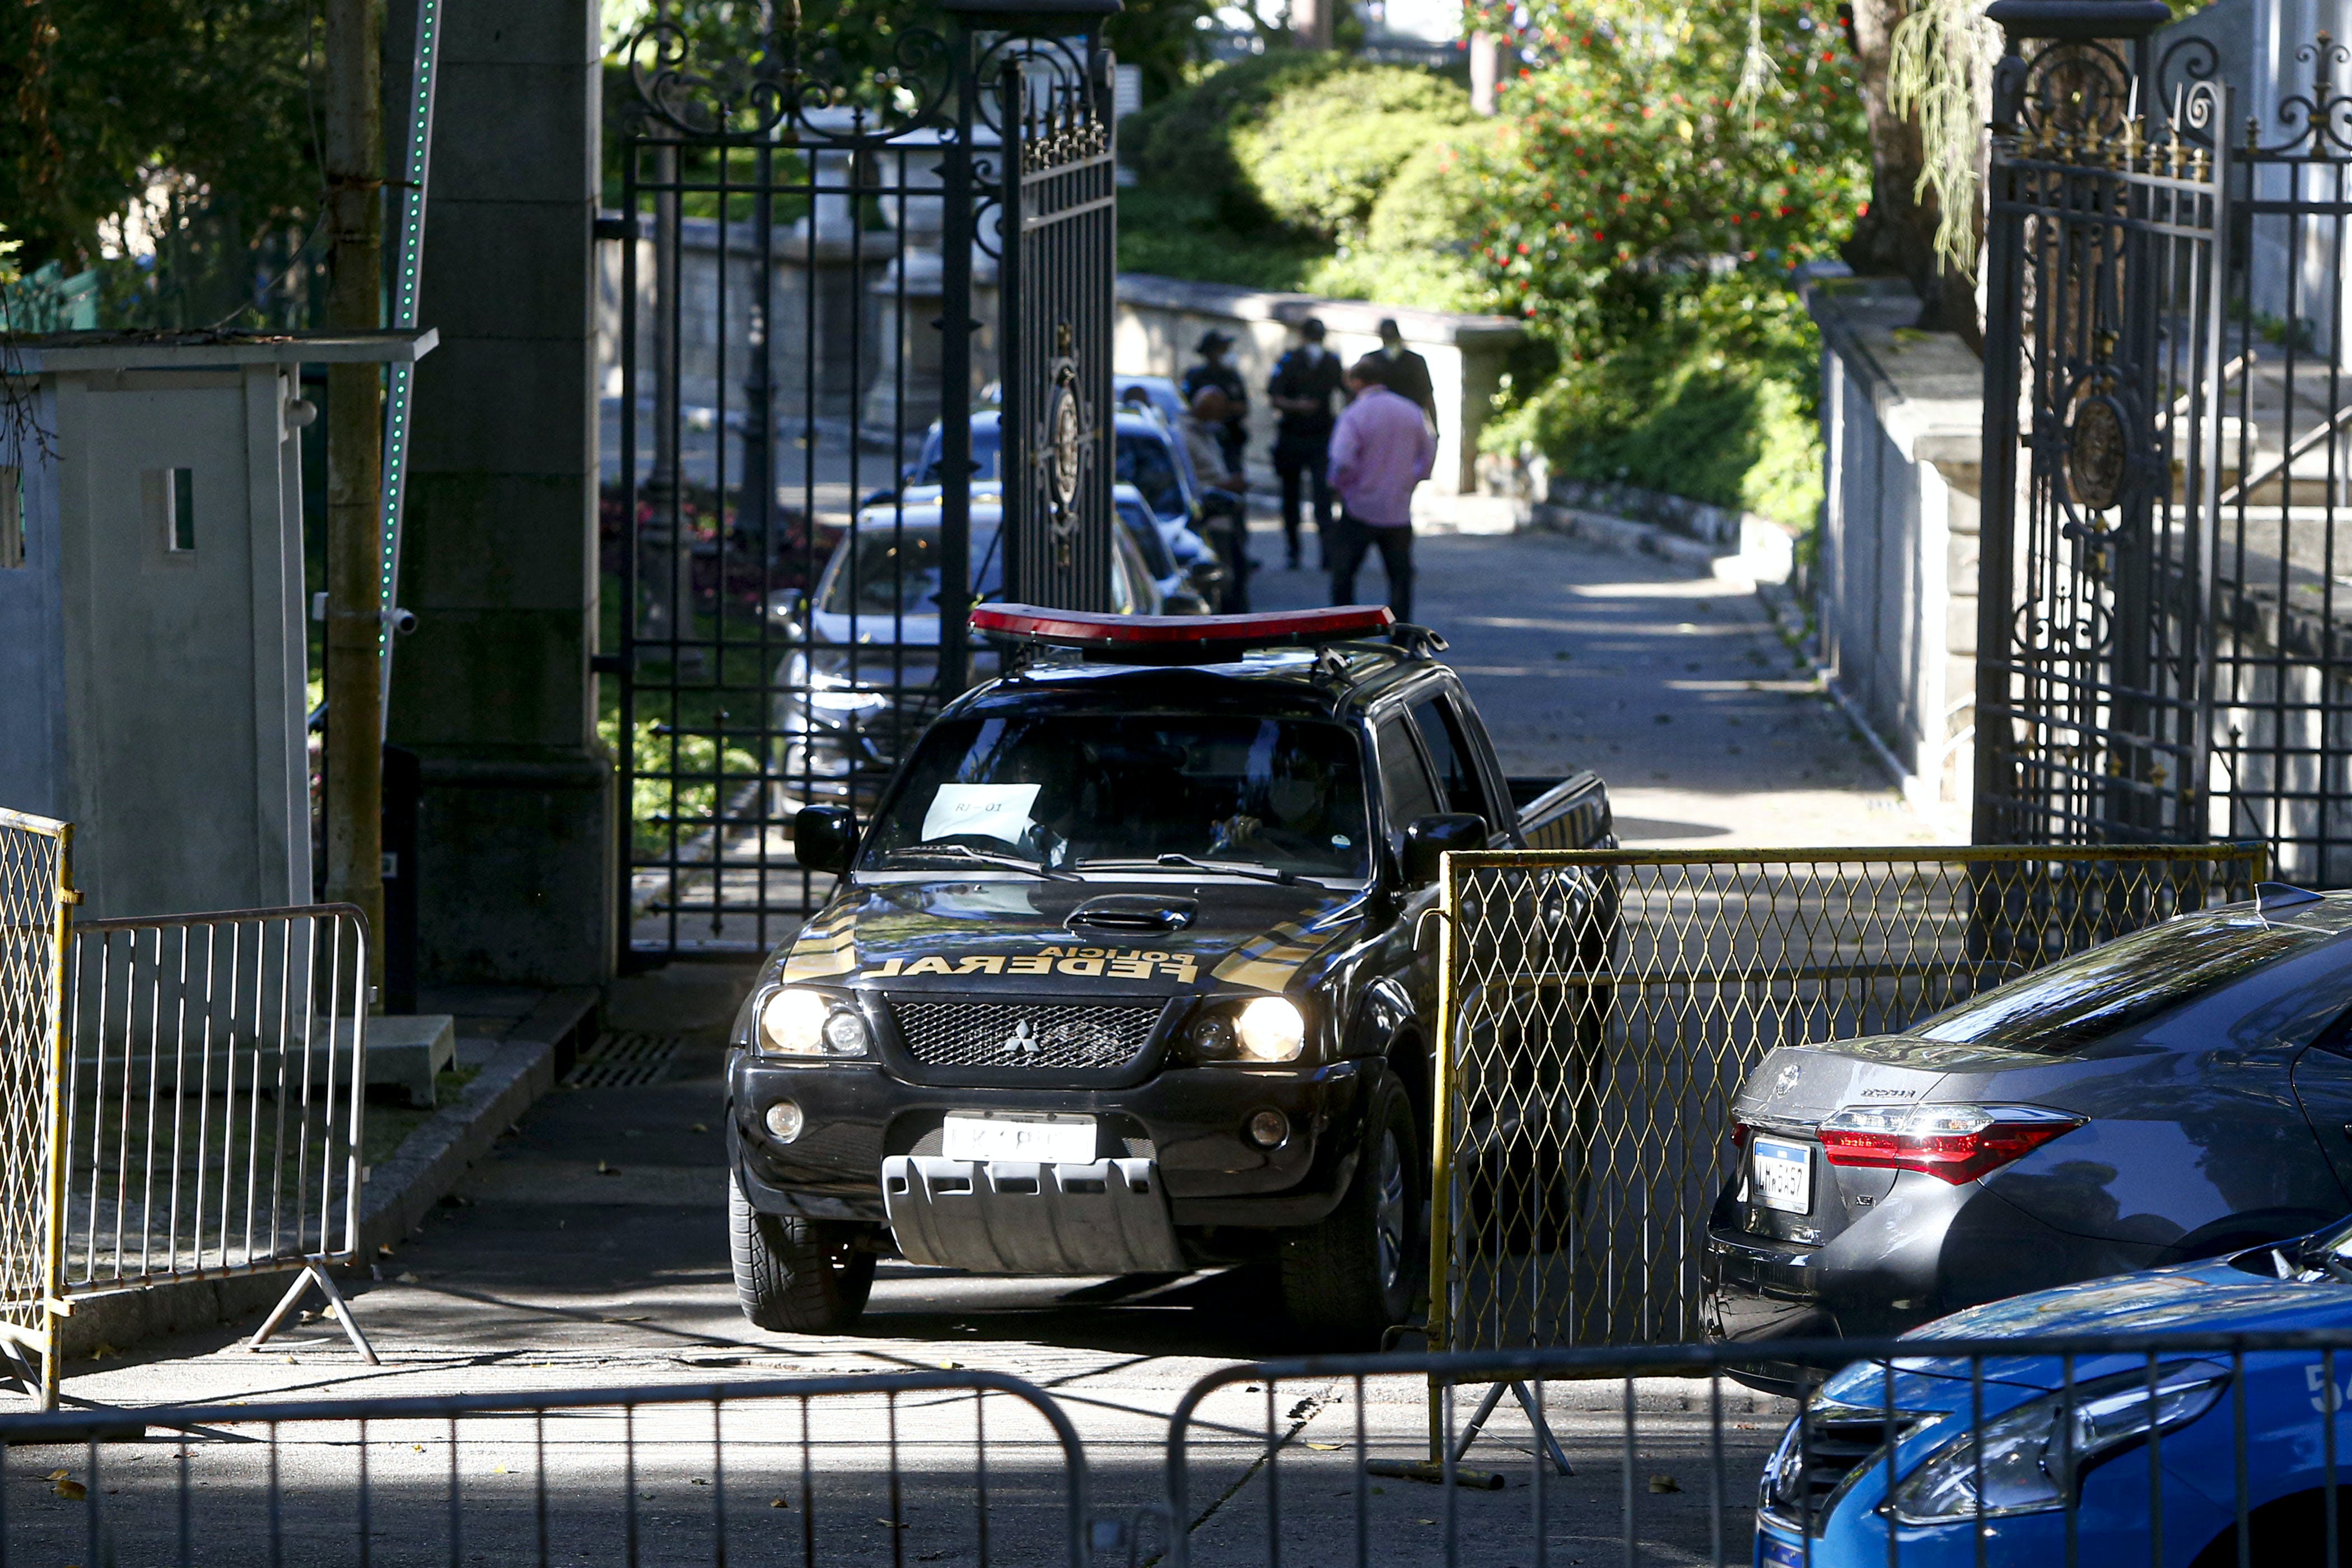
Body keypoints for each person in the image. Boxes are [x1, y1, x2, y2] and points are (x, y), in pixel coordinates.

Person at [1325, 354, 1434, 623]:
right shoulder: (1410, 410)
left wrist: (1339, 488)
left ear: (1356, 382)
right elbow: (1428, 450)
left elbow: (1342, 461)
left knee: (1344, 574)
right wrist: (1414, 479)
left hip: (1360, 506)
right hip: (1397, 508)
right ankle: (1401, 636)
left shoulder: (1355, 414)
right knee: (1400, 577)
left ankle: (1345, 630)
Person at [1265, 317, 1346, 572]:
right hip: (1295, 435)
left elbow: (1345, 393)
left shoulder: (1326, 362)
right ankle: (1297, 551)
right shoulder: (1291, 361)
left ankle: (1321, 553)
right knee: (1296, 498)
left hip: (1318, 436)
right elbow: (1276, 396)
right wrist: (1297, 406)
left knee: (1320, 498)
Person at [1179, 385, 1254, 612]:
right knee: (1223, 584)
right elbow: (1189, 483)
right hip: (1208, 518)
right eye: (1218, 413)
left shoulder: (1207, 433)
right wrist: (1225, 486)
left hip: (1225, 513)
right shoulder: (1184, 435)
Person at [1180, 329, 1250, 478]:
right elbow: (1185, 407)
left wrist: (1224, 408)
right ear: (1209, 353)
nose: (1226, 354)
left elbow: (1244, 408)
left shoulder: (1233, 377)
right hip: (1200, 438)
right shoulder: (1195, 376)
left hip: (1229, 439)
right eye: (1221, 349)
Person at [1376, 317, 1438, 440]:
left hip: (1385, 424)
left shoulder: (1372, 361)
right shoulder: (1416, 361)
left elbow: (1427, 396)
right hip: (1404, 423)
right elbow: (1428, 398)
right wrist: (1436, 430)